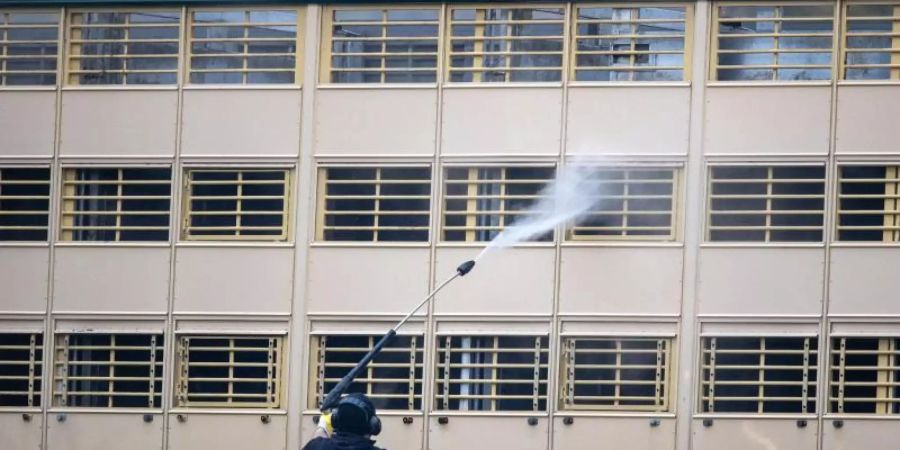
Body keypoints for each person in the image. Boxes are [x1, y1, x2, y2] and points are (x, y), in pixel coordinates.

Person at [302, 393, 385, 450]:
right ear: (373, 425)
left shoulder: (316, 446)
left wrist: (322, 426)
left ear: (335, 420)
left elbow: (318, 445)